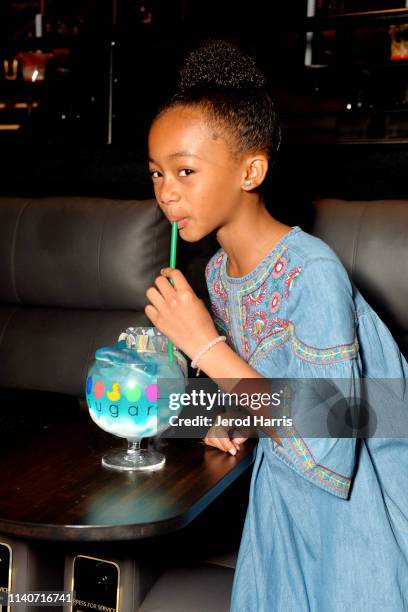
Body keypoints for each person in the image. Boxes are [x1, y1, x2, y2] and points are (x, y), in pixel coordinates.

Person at [144, 39, 408, 611]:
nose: (167, 192)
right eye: (157, 173)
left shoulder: (313, 272)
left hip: (363, 514)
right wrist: (233, 417)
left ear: (252, 169)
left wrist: (206, 347)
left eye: (185, 171)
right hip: (282, 504)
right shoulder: (217, 273)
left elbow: (331, 434)